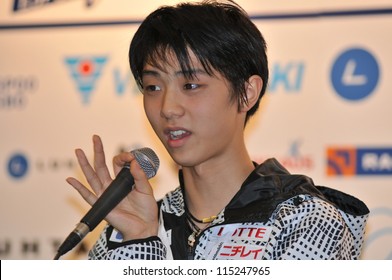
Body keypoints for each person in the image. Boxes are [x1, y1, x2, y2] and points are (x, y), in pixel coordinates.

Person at [66, 0, 369, 260]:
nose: (168, 108)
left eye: (191, 85)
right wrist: (139, 238)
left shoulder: (305, 221)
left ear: (247, 93)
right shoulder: (129, 227)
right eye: (152, 87)